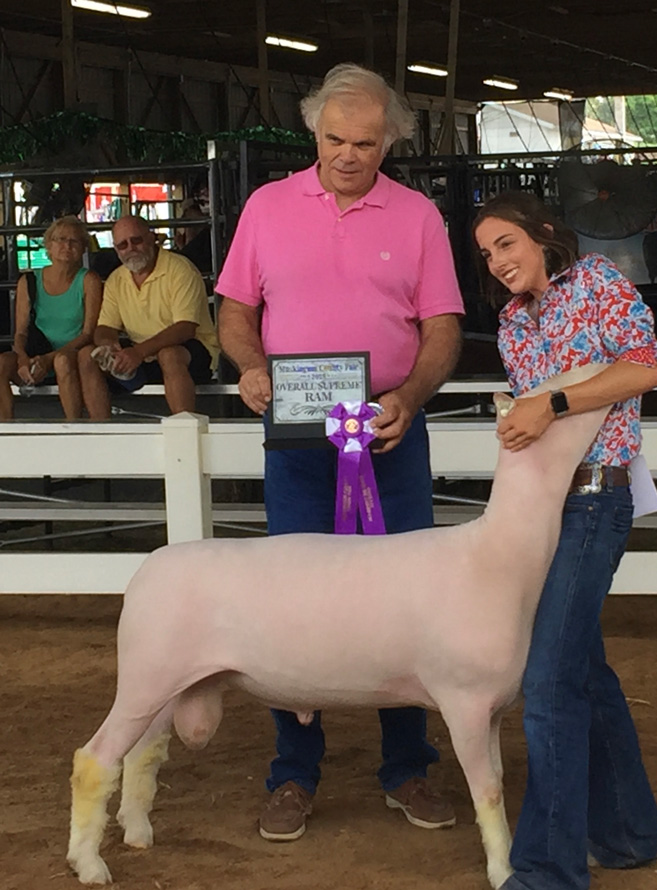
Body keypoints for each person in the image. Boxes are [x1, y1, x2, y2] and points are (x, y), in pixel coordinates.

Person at [216, 63, 464, 842]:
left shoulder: (419, 214)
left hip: (390, 430)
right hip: (295, 433)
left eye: (365, 142)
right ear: (311, 131)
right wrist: (250, 367)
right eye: (334, 139)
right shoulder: (264, 206)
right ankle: (293, 774)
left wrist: (408, 398)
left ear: (390, 139)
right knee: (295, 603)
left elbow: (443, 329)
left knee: (404, 606)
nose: (349, 155)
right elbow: (233, 311)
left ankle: (408, 766)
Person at [473, 191, 657, 890]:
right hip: (547, 508)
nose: (497, 261)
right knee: (582, 673)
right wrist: (523, 417)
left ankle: (546, 871)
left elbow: (647, 365)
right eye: (487, 253)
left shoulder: (596, 283)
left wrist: (550, 402)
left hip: (596, 500)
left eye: (506, 243)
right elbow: (539, 423)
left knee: (549, 682)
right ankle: (630, 836)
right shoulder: (511, 324)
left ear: (542, 234)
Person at [77, 215, 219, 417]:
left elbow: (185, 328)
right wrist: (108, 346)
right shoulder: (116, 279)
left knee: (169, 354)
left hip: (193, 350)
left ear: (152, 238)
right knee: (87, 356)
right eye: (123, 245)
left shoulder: (180, 269)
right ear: (116, 250)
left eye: (137, 240)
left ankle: (185, 431)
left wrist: (138, 352)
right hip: (142, 355)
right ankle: (101, 432)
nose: (130, 248)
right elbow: (105, 327)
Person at [0, 215, 102, 420]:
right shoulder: (28, 281)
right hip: (35, 354)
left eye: (74, 241)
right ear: (48, 245)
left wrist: (48, 359)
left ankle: (74, 428)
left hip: (72, 354)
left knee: (62, 361)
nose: (67, 245)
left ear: (83, 248)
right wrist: (22, 358)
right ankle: (6, 431)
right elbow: (20, 332)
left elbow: (88, 333)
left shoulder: (88, 280)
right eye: (60, 239)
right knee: (1, 363)